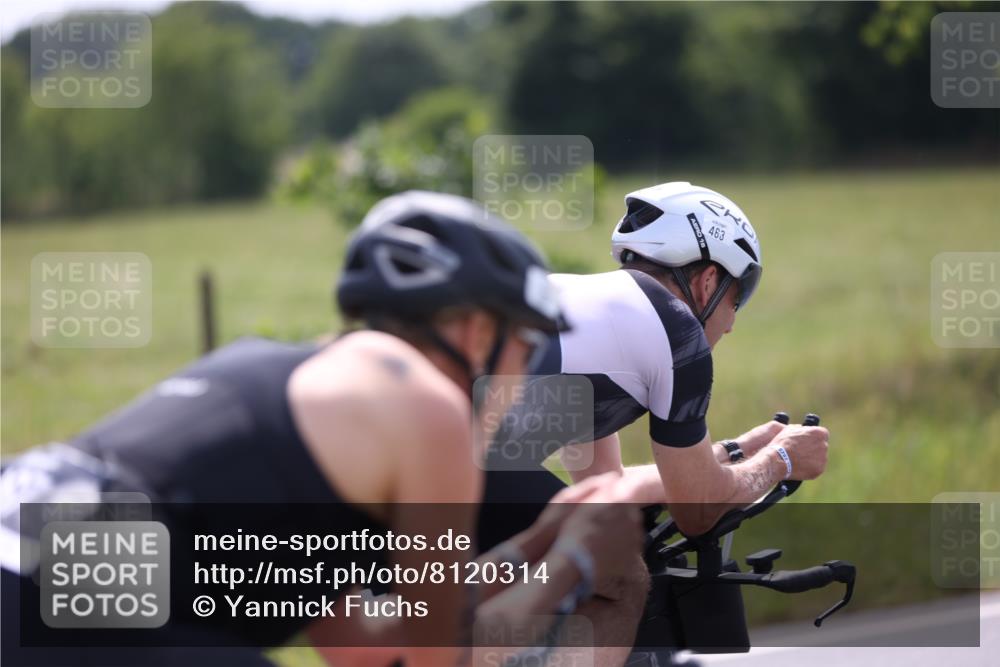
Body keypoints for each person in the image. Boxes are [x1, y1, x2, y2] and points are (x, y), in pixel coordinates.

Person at [0, 191, 642, 667]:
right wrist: (575, 562)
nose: (524, 376)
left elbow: (359, 641)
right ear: (478, 331)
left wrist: (534, 546)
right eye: (527, 347)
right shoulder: (428, 404)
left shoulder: (296, 377)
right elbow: (440, 657)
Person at [479, 182, 831, 661]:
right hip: (459, 464)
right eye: (737, 297)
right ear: (708, 280)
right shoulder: (676, 330)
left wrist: (729, 454)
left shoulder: (595, 315)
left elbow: (608, 488)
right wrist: (781, 460)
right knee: (621, 579)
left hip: (411, 454)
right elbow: (697, 511)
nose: (732, 322)